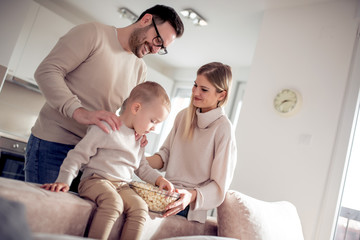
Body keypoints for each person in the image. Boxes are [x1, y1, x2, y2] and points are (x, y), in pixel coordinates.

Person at [25, 5, 184, 188]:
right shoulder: (93, 34)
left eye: (162, 47)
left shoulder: (140, 69)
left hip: (94, 157)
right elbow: (47, 71)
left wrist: (136, 131)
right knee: (46, 212)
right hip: (54, 144)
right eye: (158, 40)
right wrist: (79, 112)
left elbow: (128, 113)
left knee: (73, 216)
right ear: (146, 20)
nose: (156, 50)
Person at [42, 81, 173, 240]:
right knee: (113, 204)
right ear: (136, 108)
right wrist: (64, 180)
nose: (154, 128)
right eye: (153, 121)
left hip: (122, 185)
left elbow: (142, 167)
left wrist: (159, 179)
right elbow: (79, 155)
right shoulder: (106, 127)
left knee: (140, 208)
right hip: (95, 180)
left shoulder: (139, 139)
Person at [147, 62, 237, 223]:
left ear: (221, 95)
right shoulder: (183, 116)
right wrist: (137, 159)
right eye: (195, 85)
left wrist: (190, 195)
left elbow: (219, 187)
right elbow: (164, 156)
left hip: (188, 206)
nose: (195, 92)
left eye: (204, 89)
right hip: (164, 192)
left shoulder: (223, 128)